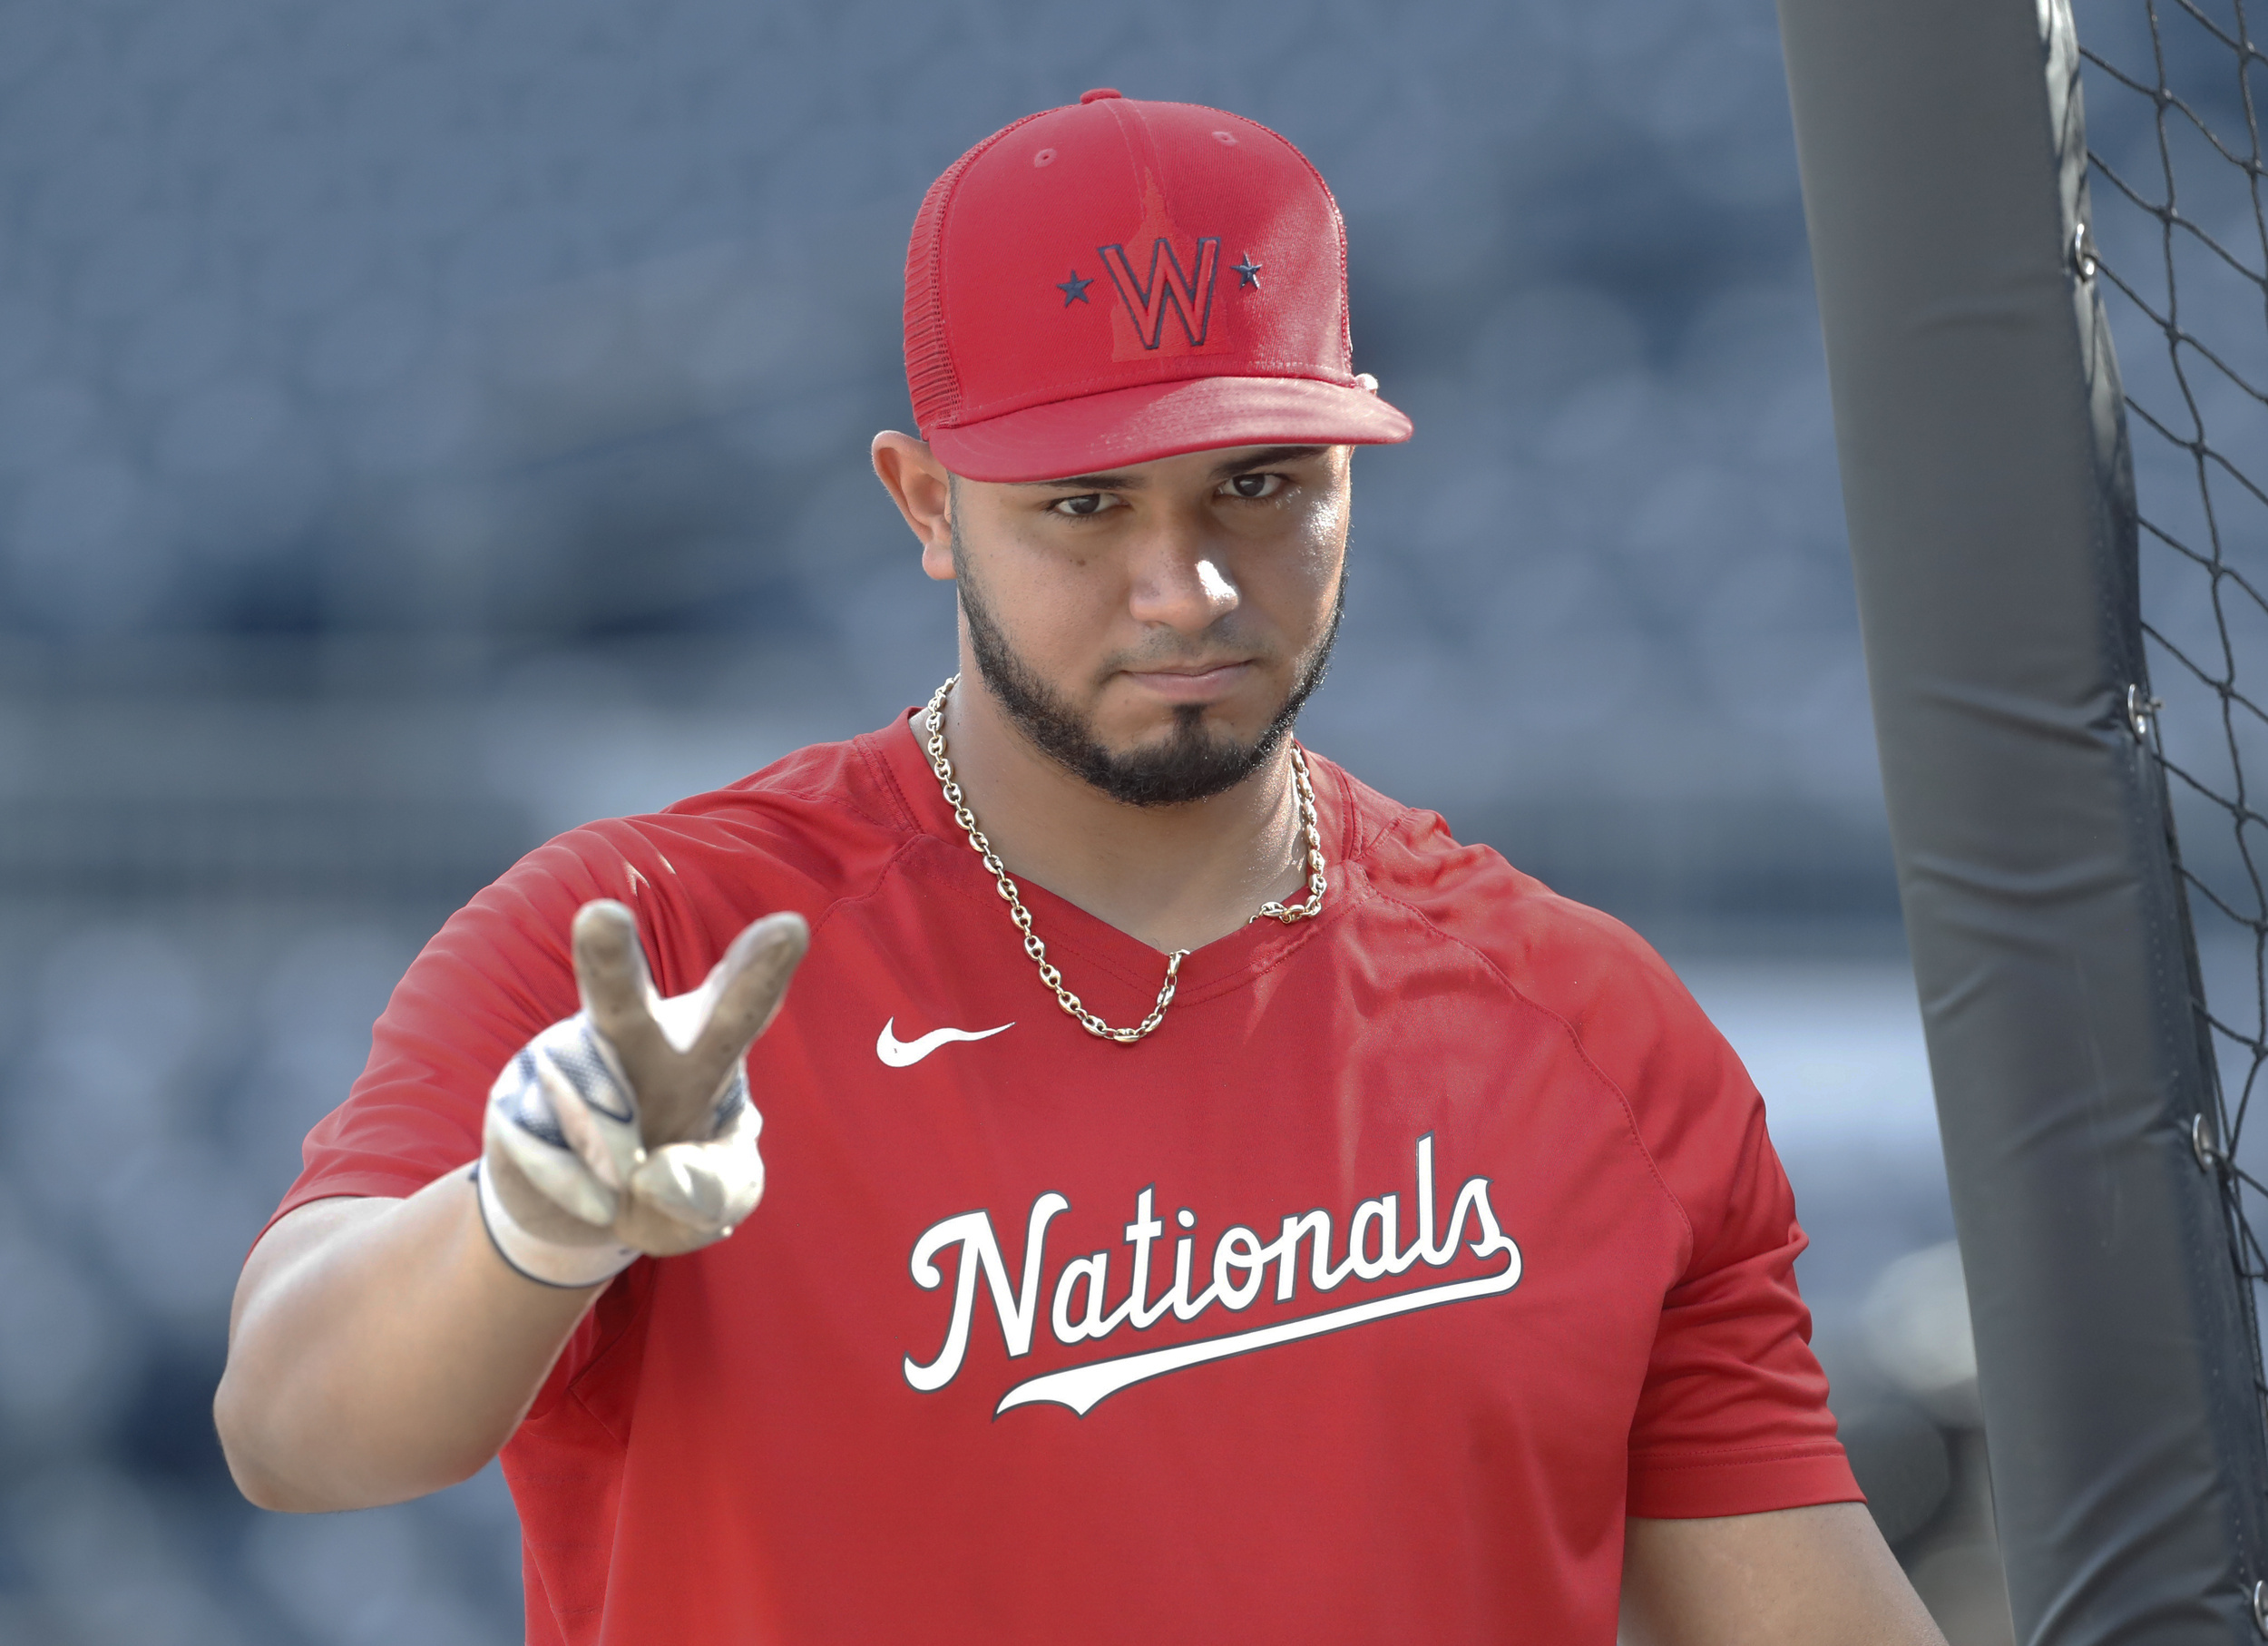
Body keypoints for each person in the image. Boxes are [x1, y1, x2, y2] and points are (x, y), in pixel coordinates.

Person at [215, 90, 1947, 1645]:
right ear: (923, 500)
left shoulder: (1591, 1027)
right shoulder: (662, 949)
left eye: (1259, 485)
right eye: (1085, 503)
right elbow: (291, 1423)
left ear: (1355, 474)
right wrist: (534, 1220)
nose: (1185, 586)